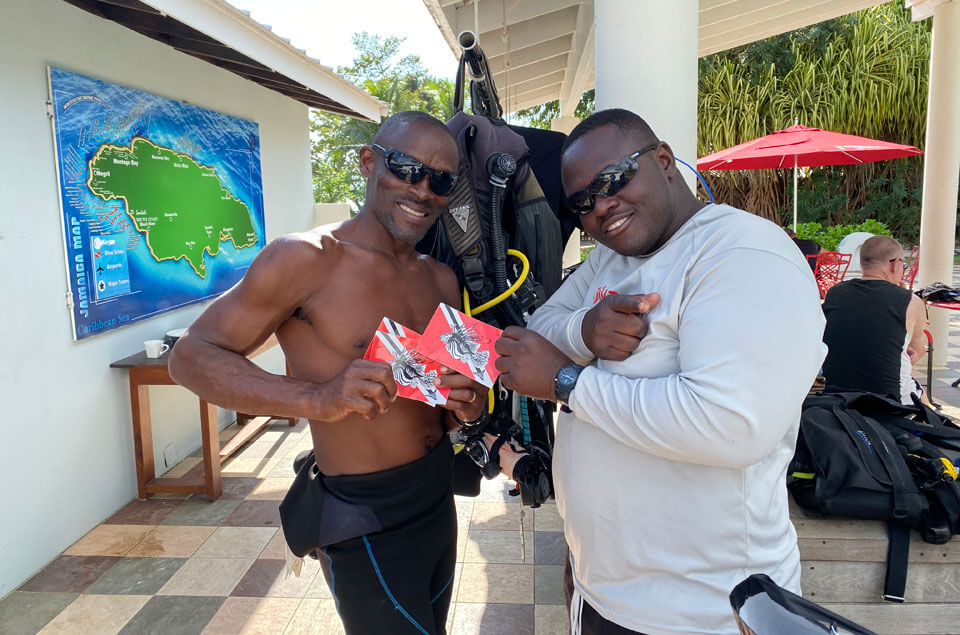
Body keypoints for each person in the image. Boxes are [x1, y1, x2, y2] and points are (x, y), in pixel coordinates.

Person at [493, 109, 826, 634]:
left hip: (704, 611)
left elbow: (728, 424)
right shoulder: (610, 260)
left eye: (613, 180)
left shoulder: (742, 253)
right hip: (600, 590)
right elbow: (543, 325)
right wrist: (586, 332)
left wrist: (566, 381)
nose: (601, 207)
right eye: (582, 202)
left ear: (664, 160)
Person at [169, 111, 488, 635]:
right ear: (368, 161)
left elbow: (448, 410)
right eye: (407, 168)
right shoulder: (306, 259)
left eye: (442, 180)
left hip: (435, 496)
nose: (424, 190)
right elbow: (190, 356)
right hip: (363, 515)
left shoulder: (442, 280)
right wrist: (318, 397)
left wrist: (469, 404)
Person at [821, 235, 928, 405]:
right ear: (895, 264)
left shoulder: (835, 293)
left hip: (837, 395)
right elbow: (917, 352)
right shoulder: (910, 301)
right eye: (903, 265)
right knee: (921, 394)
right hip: (890, 402)